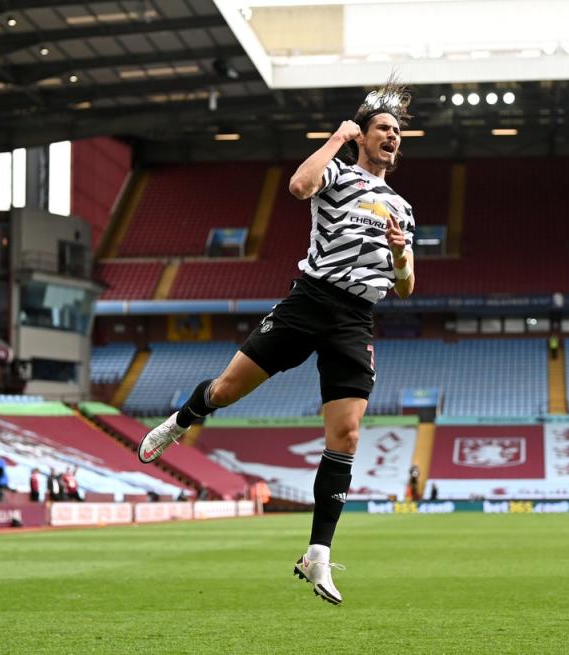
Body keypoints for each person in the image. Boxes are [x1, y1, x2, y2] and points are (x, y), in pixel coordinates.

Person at [137, 79, 416, 606]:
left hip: (356, 319)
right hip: (309, 302)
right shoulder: (338, 170)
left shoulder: (402, 207)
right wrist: (337, 136)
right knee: (225, 391)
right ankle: (180, 423)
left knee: (348, 436)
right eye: (384, 128)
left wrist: (401, 256)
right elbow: (297, 188)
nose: (393, 137)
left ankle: (318, 554)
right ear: (363, 135)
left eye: (398, 132)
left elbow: (405, 285)